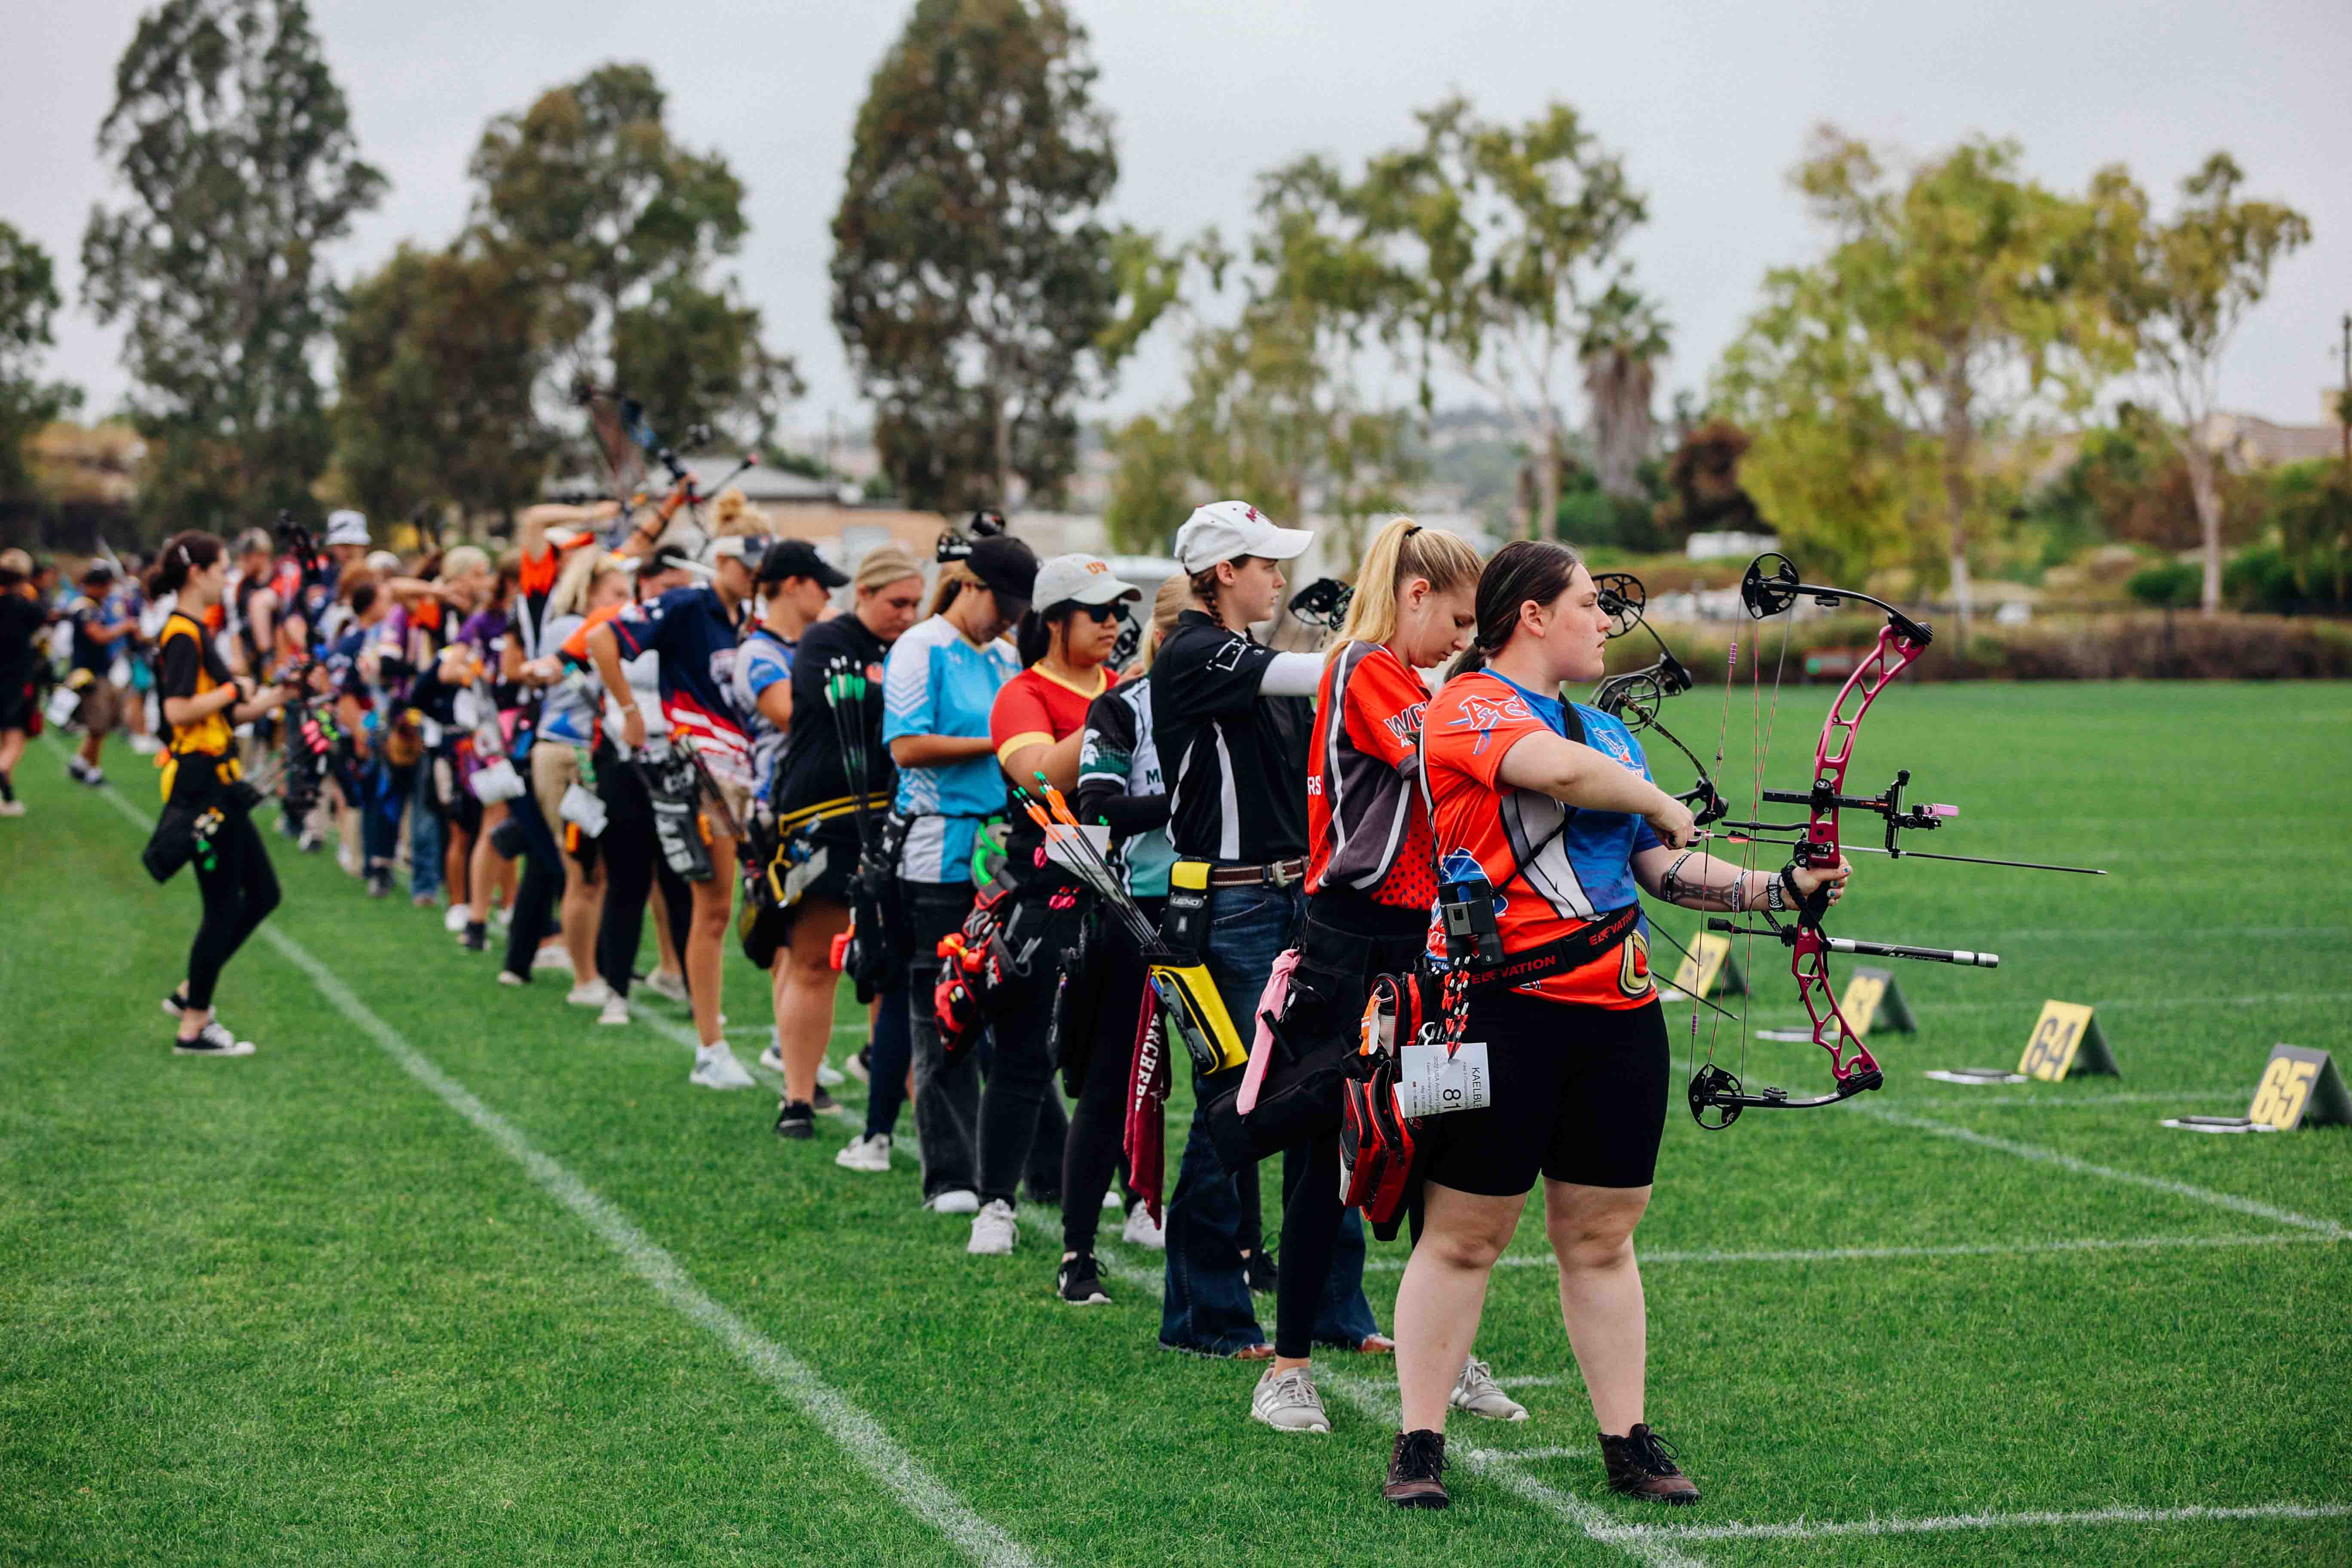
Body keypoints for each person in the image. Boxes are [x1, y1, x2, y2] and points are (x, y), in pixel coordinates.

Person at [1378, 540, 1852, 1509]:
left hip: (1618, 1017)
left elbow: (1663, 870)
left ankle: (1626, 1440)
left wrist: (1781, 889)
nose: (1606, 621)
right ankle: (1419, 1443)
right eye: (1590, 605)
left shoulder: (1611, 734)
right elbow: (1558, 775)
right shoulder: (1468, 705)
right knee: (1465, 1235)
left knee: (1602, 1236)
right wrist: (1657, 800)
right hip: (1499, 1013)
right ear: (1532, 617)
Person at [1246, 516, 1518, 1436]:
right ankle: (1286, 1369)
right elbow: (1440, 755)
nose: (1466, 640)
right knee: (1328, 1143)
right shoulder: (1368, 670)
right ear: (1414, 598)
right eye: (1459, 619)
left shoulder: (1413, 677)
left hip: (1416, 941)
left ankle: (1447, 1351)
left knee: (1435, 1136)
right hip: (1350, 941)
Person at [1148, 499, 1382, 1359]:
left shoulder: (1246, 657)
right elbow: (1326, 679)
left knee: (1329, 1100)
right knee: (1241, 1109)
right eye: (1263, 564)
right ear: (1221, 575)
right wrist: (1392, 637)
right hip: (1233, 906)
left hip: (1292, 902)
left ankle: (1334, 1308)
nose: (1279, 578)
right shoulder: (1196, 653)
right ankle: (1207, 1315)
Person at [962, 553, 1142, 1257]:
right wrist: (1114, 712)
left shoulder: (1123, 688)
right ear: (1053, 619)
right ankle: (996, 1203)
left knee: (1121, 1061)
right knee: (1022, 1054)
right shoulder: (1023, 693)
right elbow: (1037, 770)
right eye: (1097, 610)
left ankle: (1138, 1199)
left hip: (1123, 894)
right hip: (1045, 896)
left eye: (1118, 611)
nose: (1112, 623)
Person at [883, 536, 1035, 1208]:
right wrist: (1002, 746)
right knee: (938, 1006)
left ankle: (1032, 1166)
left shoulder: (1004, 654)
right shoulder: (920, 648)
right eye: (1001, 605)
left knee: (1014, 1006)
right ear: (970, 586)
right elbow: (908, 747)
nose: (1007, 620)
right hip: (934, 847)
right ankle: (948, 1171)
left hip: (1001, 850)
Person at [588, 533, 765, 1087]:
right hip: (675, 766)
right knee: (654, 888)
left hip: (732, 770)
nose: (757, 577)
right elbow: (602, 638)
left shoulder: (746, 616)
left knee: (713, 897)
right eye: (749, 567)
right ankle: (645, 1006)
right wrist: (627, 710)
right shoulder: (689, 603)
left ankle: (716, 1018)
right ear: (725, 563)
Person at [763, 542, 923, 1147]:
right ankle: (798, 1096)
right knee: (813, 960)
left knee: (895, 970)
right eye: (895, 602)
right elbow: (855, 709)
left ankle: (899, 1096)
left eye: (915, 603)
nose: (907, 614)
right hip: (824, 816)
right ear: (864, 594)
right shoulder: (826, 643)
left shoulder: (917, 645)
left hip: (897, 820)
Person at [1057, 575, 1188, 1301]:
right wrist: (1186, 797)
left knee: (1239, 1087)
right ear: (1166, 640)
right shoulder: (1122, 705)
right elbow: (1096, 802)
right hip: (1135, 908)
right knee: (1110, 1081)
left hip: (1223, 907)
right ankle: (1077, 1252)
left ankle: (1240, 1244)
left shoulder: (1236, 700)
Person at [149, 533, 295, 1056]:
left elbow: (226, 713)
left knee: (261, 895)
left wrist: (280, 693)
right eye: (222, 568)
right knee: (223, 904)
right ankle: (194, 1026)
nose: (227, 578)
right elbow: (179, 711)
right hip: (203, 783)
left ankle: (192, 992)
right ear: (197, 573)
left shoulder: (196, 629)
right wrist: (235, 688)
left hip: (218, 779)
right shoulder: (182, 633)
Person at [731, 537, 856, 1125]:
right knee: (795, 948)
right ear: (787, 585)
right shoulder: (759, 653)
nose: (828, 594)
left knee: (799, 952)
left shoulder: (813, 641)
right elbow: (794, 712)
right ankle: (795, 1078)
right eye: (816, 583)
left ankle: (796, 1063)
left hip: (820, 807)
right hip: (781, 809)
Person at [65, 562, 133, 786]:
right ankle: (92, 771)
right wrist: (125, 627)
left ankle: (80, 763)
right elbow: (98, 636)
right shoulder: (84, 608)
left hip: (101, 672)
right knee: (97, 725)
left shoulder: (97, 607)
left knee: (102, 725)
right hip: (89, 675)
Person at [0, 548, 46, 815]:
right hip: (18, 681)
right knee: (15, 740)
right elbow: (43, 619)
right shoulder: (27, 606)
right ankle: (3, 776)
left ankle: (7, 798)